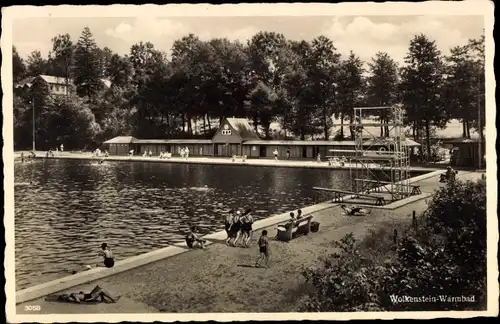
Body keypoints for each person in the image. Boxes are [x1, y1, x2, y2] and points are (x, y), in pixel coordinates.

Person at [46, 285, 120, 304]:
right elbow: (78, 301)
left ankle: (103, 299)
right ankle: (113, 299)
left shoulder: (71, 295)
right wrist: (76, 298)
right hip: (88, 298)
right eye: (64, 295)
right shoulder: (71, 296)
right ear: (64, 297)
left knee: (99, 287)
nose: (65, 294)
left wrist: (81, 293)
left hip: (88, 295)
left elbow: (80, 296)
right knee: (101, 290)